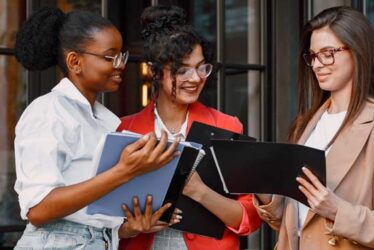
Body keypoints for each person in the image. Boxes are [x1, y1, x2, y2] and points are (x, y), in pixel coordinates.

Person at [13, 7, 180, 250]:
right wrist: (125, 171)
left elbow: (89, 215)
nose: (121, 65)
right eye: (110, 57)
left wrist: (129, 228)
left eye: (121, 56)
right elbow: (38, 210)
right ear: (75, 62)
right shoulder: (48, 112)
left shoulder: (107, 121)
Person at [254, 6, 374, 250]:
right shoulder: (306, 124)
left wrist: (337, 210)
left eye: (328, 53)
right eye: (312, 56)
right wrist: (262, 190)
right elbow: (296, 222)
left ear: (357, 52)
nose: (318, 64)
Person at [118, 5, 261, 250]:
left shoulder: (226, 126)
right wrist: (131, 227)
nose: (195, 79)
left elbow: (250, 217)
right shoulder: (125, 129)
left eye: (201, 67)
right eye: (182, 70)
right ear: (155, 71)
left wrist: (199, 192)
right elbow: (104, 220)